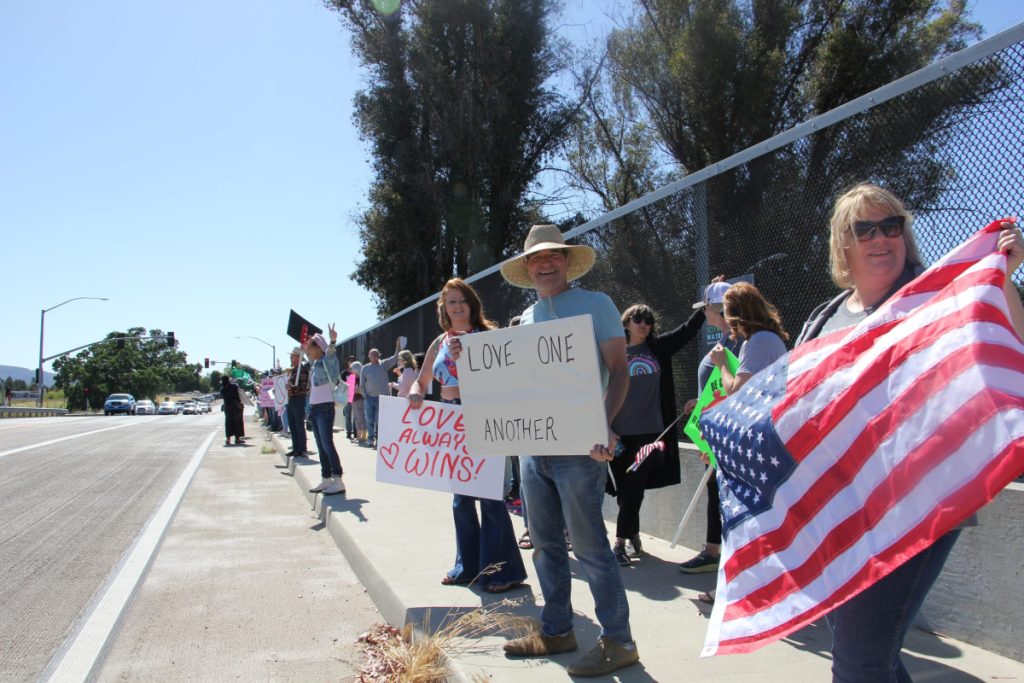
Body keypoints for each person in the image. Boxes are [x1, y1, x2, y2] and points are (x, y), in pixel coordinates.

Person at [795, 183, 1024, 683]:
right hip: (839, 509)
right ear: (843, 244)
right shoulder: (821, 318)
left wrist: (1000, 278)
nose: (881, 238)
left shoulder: (941, 294)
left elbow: (1011, 342)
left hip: (918, 503)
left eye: (891, 226)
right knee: (872, 654)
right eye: (865, 229)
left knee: (858, 661)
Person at [497, 224, 639, 677]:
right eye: (536, 259)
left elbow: (619, 372)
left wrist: (603, 424)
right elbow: (511, 386)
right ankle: (557, 630)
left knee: (591, 548)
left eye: (553, 256)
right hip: (532, 453)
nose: (545, 263)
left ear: (566, 261)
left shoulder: (597, 305)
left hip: (582, 450)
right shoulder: (524, 319)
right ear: (527, 268)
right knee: (544, 546)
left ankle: (619, 641)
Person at [407, 278, 528, 594]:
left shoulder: (488, 337)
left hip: (483, 415)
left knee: (489, 496)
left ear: (472, 303)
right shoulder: (439, 342)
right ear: (444, 308)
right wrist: (415, 393)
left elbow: (508, 378)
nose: (457, 306)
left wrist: (470, 359)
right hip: (451, 421)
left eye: (461, 300)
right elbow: (421, 381)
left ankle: (501, 571)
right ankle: (467, 567)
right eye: (451, 302)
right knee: (461, 499)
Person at [607, 300, 708, 566]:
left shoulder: (657, 348)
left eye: (648, 320)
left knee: (634, 486)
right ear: (626, 322)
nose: (644, 324)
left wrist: (704, 309)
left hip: (650, 433)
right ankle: (633, 533)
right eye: (638, 319)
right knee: (623, 491)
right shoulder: (613, 352)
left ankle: (618, 545)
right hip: (616, 434)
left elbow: (685, 331)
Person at [678, 281, 741, 583]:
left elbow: (737, 388)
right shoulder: (727, 338)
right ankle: (713, 552)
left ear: (717, 309)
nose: (704, 313)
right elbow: (716, 387)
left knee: (725, 496)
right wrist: (699, 401)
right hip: (711, 435)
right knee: (715, 494)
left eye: (706, 308)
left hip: (728, 438)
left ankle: (728, 560)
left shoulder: (741, 340)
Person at [305, 328, 345, 496]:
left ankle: (338, 479)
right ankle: (326, 478)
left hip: (324, 408)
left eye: (310, 346)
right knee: (321, 445)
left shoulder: (327, 361)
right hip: (315, 408)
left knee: (327, 444)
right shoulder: (314, 364)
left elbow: (329, 353)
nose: (308, 350)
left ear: (318, 347)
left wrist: (332, 341)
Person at [359, 339, 402, 448]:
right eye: (372, 354)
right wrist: (365, 396)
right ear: (369, 356)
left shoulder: (384, 364)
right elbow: (361, 384)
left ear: (379, 355)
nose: (374, 356)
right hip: (369, 398)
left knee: (380, 421)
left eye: (376, 354)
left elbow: (395, 357)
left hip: (382, 399)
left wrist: (397, 346)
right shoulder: (364, 368)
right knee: (369, 420)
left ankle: (379, 439)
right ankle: (370, 438)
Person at [284, 347, 313, 458]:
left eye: (292, 356)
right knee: (293, 425)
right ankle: (296, 448)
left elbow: (305, 388)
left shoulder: (303, 370)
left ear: (298, 357)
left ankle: (302, 449)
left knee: (299, 425)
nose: (291, 358)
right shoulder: (293, 370)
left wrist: (292, 388)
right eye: (291, 356)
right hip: (291, 400)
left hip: (298, 399)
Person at [220, 376, 245, 446]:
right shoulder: (234, 386)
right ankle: (237, 439)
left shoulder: (222, 389)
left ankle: (228, 439)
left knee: (228, 423)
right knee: (237, 422)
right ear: (228, 380)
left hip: (227, 407)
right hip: (235, 407)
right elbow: (238, 395)